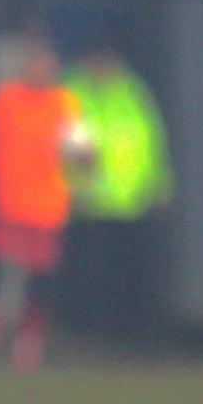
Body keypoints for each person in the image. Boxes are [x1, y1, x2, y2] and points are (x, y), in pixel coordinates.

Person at [0, 32, 82, 369]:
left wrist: (82, 156)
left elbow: (78, 148)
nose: (39, 69)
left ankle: (29, 340)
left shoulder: (64, 102)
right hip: (8, 199)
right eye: (33, 63)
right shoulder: (7, 98)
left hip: (47, 203)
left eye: (45, 64)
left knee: (40, 276)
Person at [59, 41, 173, 339]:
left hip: (131, 202)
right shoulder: (72, 91)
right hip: (88, 203)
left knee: (130, 276)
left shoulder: (133, 90)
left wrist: (160, 187)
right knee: (91, 277)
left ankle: (129, 334)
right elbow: (61, 143)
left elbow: (152, 138)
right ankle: (90, 333)